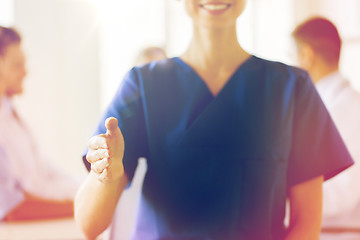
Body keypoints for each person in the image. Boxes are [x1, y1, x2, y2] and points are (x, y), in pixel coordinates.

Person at [75, 1, 354, 239]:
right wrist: (106, 177)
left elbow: (306, 223)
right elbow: (90, 225)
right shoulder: (144, 85)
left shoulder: (293, 89)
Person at [0, 26, 82, 221]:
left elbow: (43, 174)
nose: (25, 72)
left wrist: (89, 189)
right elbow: (10, 207)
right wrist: (83, 208)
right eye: (17, 65)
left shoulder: (10, 114)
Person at [292, 17, 360, 229]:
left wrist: (283, 202)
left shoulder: (347, 108)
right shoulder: (327, 105)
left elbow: (345, 191)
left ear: (306, 55)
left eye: (291, 56)